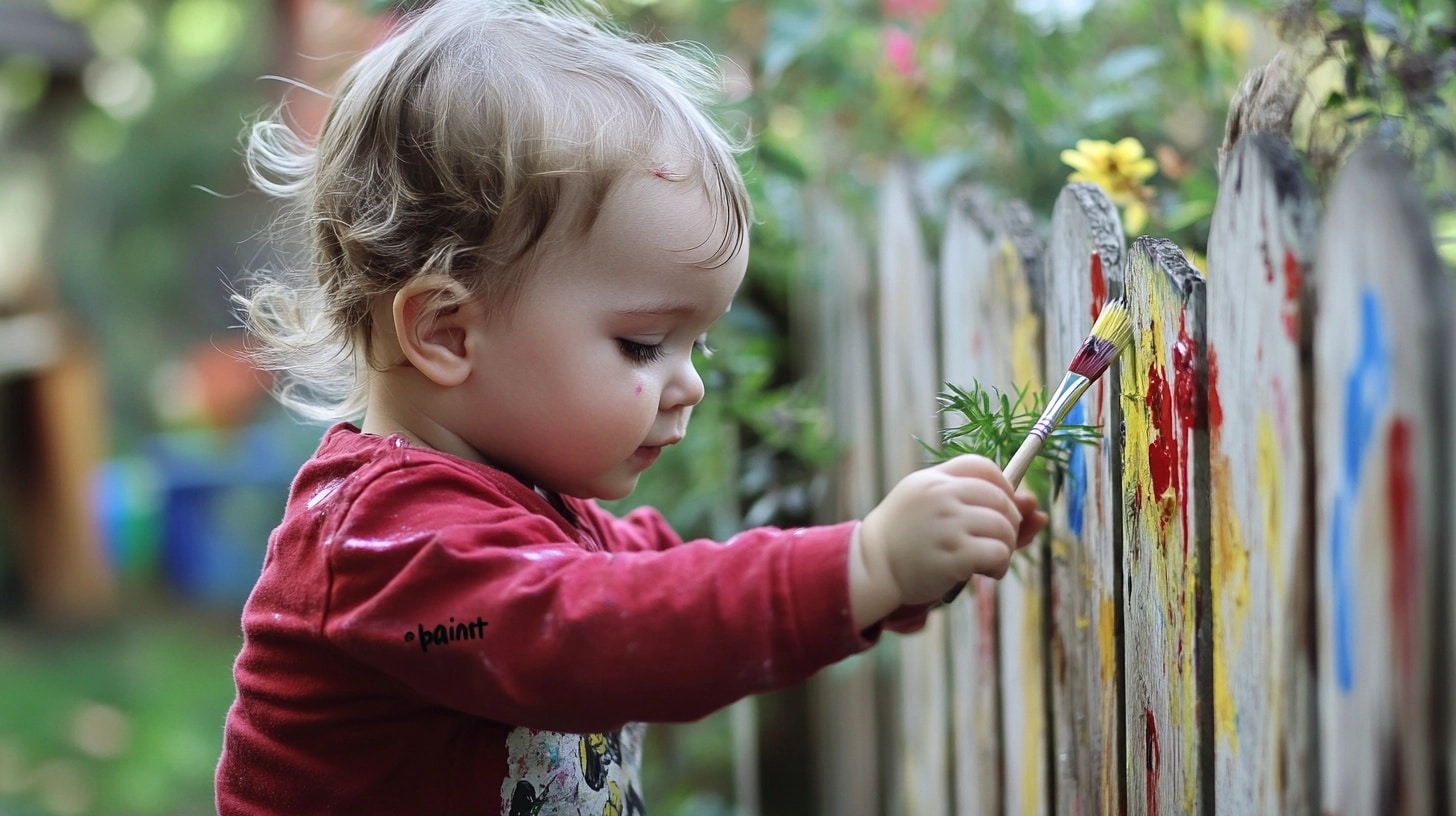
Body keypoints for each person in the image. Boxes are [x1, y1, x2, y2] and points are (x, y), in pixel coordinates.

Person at [214, 0, 1048, 813]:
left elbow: (677, 591)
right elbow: (598, 632)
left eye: (699, 345)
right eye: (645, 344)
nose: (690, 385)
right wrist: (862, 566)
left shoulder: (530, 506)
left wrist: (893, 576)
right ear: (447, 332)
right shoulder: (387, 543)